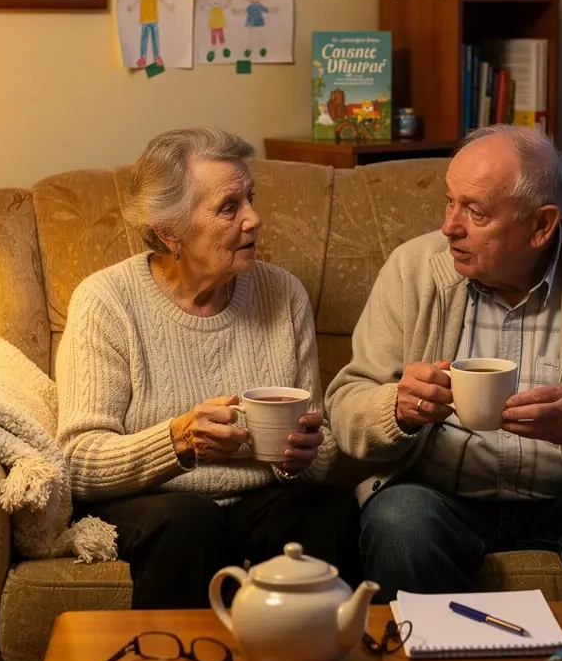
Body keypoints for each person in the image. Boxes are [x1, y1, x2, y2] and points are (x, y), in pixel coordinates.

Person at [325, 125, 562, 611]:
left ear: (542, 225)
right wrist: (398, 408)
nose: (449, 226)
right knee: (397, 521)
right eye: (449, 201)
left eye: (474, 211)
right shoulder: (412, 269)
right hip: (442, 496)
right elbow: (345, 402)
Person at [57, 128, 362, 610]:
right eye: (229, 207)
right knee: (191, 522)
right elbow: (78, 461)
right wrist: (178, 439)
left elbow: (320, 451)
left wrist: (298, 456)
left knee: (330, 511)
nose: (254, 219)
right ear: (168, 231)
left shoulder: (283, 295)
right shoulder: (107, 302)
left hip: (261, 500)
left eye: (250, 199)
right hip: (153, 503)